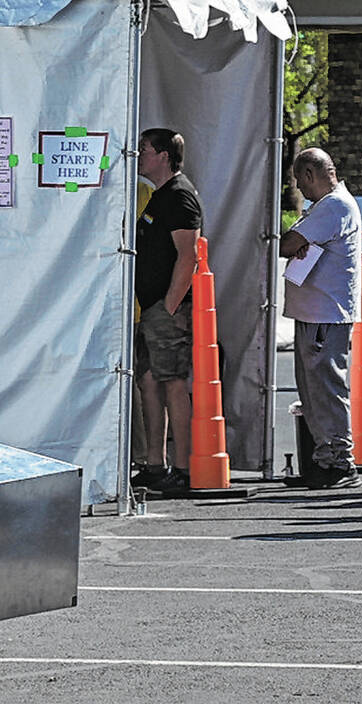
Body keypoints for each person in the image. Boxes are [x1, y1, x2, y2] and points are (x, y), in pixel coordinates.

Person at [279, 148, 362, 490]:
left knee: (326, 389)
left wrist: (296, 240)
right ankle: (325, 458)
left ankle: (340, 462)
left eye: (301, 182)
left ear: (311, 175)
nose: (301, 189)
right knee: (314, 390)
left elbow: (288, 244)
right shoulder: (327, 207)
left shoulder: (333, 206)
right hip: (317, 312)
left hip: (325, 314)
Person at [132, 128, 203, 496]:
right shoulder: (159, 196)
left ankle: (184, 468)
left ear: (162, 155)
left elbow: (188, 255)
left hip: (167, 309)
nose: (138, 155)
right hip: (150, 307)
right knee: (148, 381)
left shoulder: (179, 197)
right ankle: (154, 464)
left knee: (173, 383)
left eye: (143, 149)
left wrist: (169, 305)